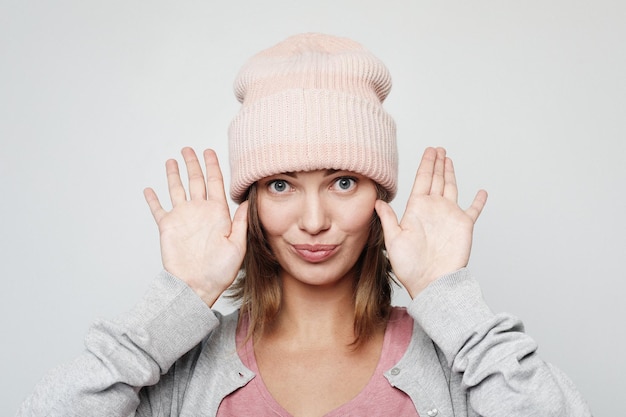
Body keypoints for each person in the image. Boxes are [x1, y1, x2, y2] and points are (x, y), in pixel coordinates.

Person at [17, 33, 592, 417]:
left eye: (344, 182)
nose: (314, 221)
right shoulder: (185, 369)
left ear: (379, 198)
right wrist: (181, 298)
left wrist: (448, 297)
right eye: (281, 185)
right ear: (252, 203)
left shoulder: (449, 363)